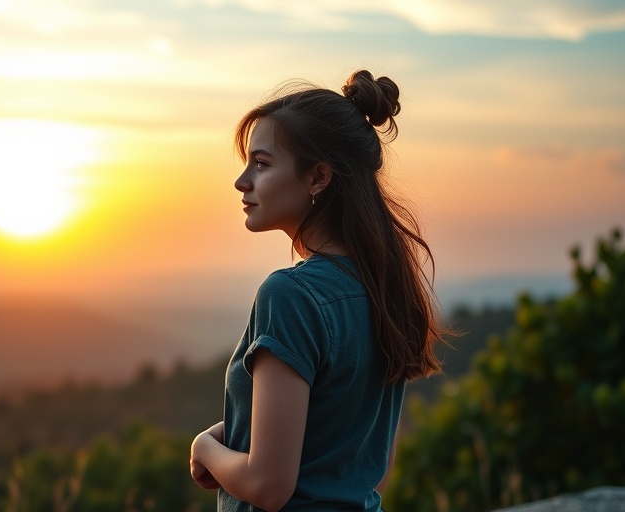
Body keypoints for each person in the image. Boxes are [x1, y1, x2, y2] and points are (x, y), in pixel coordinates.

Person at [190, 69, 450, 511]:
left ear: (318, 178)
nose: (243, 181)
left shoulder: (289, 295)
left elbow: (269, 487)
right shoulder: (385, 287)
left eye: (262, 163)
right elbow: (368, 461)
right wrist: (235, 430)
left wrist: (205, 449)